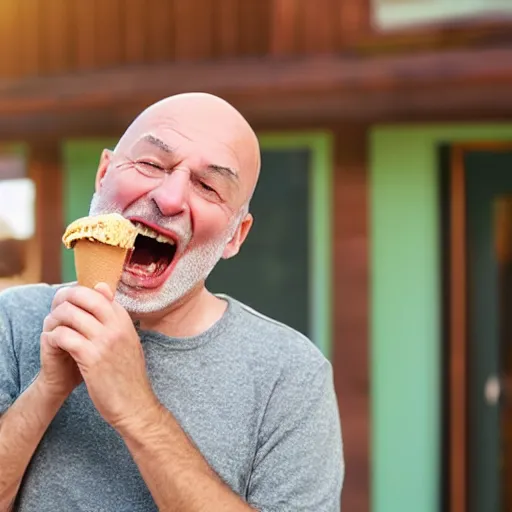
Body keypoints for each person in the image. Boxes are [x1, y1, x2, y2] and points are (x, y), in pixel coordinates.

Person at [0, 93, 344, 511]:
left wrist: (138, 411)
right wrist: (48, 387)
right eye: (150, 164)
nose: (169, 198)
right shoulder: (13, 320)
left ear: (236, 235)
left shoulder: (291, 375)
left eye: (207, 185)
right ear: (104, 174)